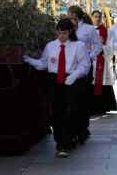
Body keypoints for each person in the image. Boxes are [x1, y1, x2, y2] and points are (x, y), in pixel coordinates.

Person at [24, 18, 89, 158]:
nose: (61, 36)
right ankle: (60, 142)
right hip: (54, 81)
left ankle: (68, 140)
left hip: (71, 81)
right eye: (59, 33)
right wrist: (31, 61)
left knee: (69, 111)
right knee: (56, 112)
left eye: (64, 33)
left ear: (70, 32)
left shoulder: (78, 46)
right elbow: (44, 63)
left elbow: (85, 65)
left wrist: (75, 75)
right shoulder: (51, 46)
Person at [67, 5, 102, 143]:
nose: (69, 18)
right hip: (70, 67)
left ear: (77, 16)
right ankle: (73, 129)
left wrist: (90, 56)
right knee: (72, 99)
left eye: (71, 15)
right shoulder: (67, 28)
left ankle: (83, 129)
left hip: (84, 68)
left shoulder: (88, 29)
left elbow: (98, 46)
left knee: (82, 98)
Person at [89, 10, 117, 115]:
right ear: (91, 18)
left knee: (102, 83)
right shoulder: (87, 31)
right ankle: (91, 107)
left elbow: (112, 47)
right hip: (90, 61)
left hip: (102, 61)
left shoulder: (108, 32)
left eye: (99, 17)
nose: (97, 19)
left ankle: (102, 107)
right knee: (90, 83)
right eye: (95, 16)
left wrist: (102, 46)